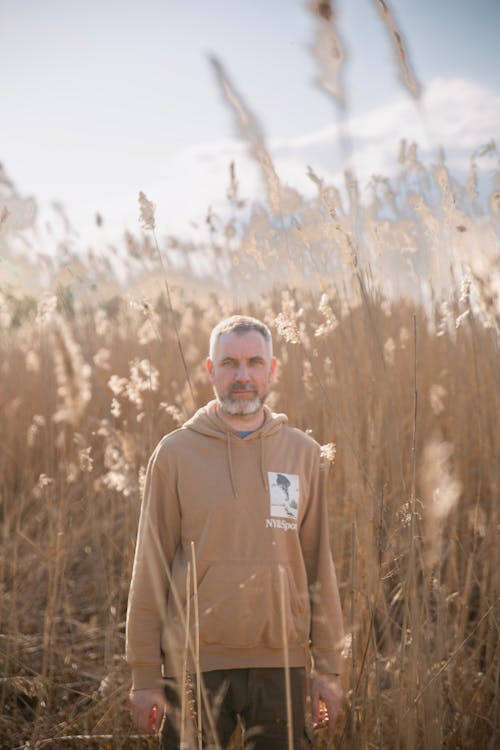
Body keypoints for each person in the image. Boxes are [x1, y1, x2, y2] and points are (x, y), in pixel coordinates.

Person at [126, 315, 344, 749]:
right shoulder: (175, 454)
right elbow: (150, 566)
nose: (242, 376)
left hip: (281, 664)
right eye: (229, 363)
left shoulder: (302, 453)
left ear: (272, 369)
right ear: (210, 371)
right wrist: (144, 675)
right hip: (195, 663)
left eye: (254, 362)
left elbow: (319, 562)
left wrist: (329, 667)